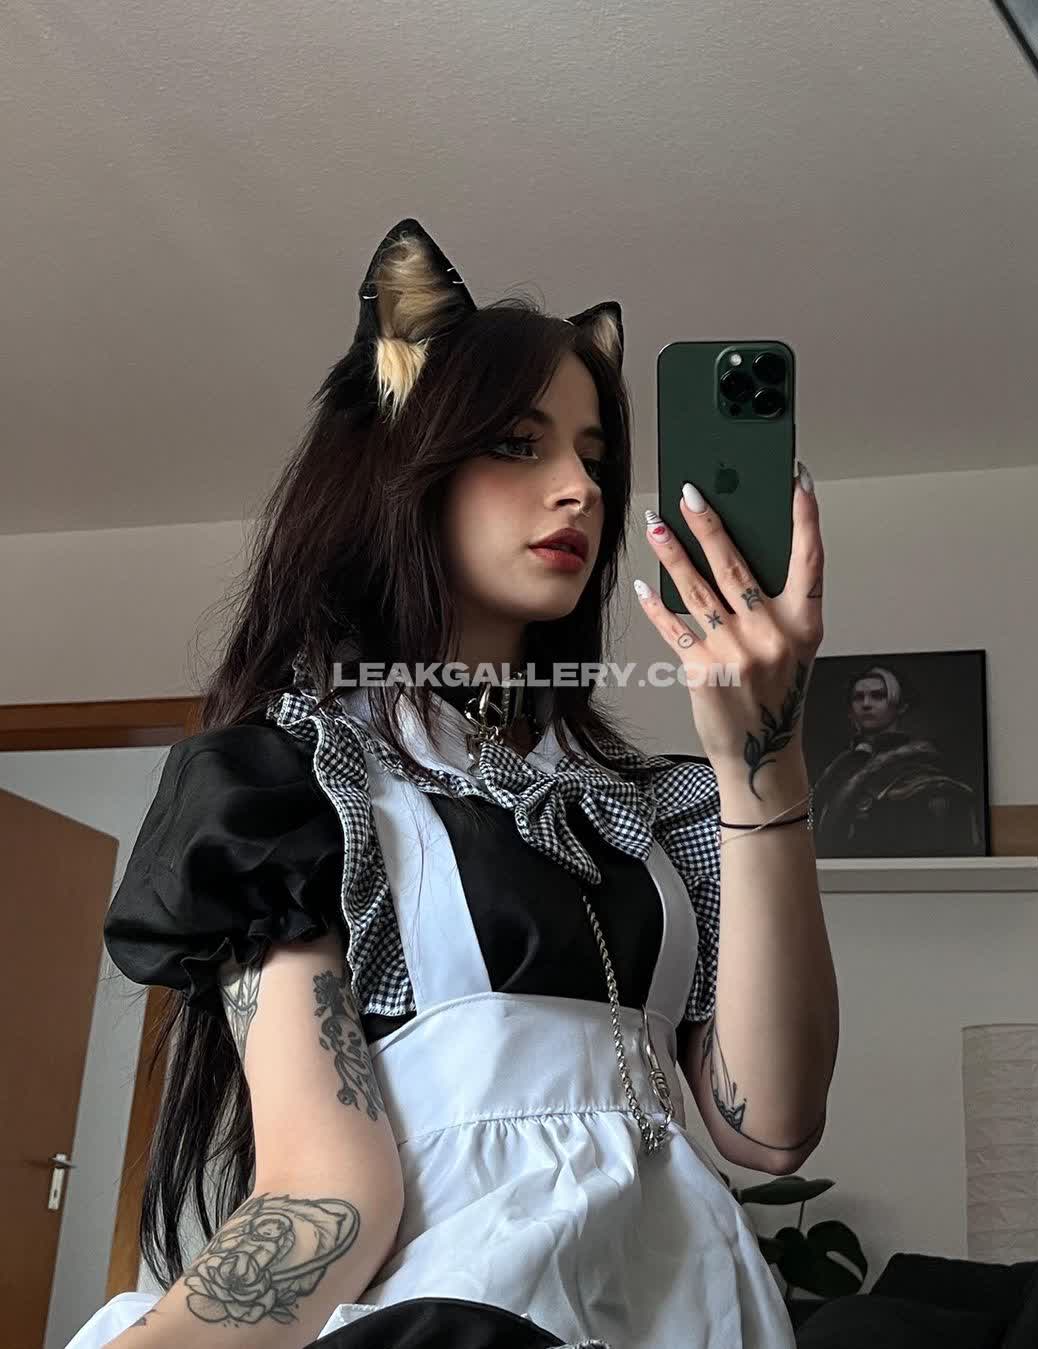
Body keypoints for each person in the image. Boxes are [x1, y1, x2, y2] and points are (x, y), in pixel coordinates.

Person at [67, 218, 837, 1349]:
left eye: (594, 457)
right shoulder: (296, 786)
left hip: (700, 1313)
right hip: (462, 1314)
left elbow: (767, 1127)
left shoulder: (657, 807)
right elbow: (328, 1193)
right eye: (519, 444)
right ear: (402, 458)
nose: (579, 488)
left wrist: (760, 753)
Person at [812, 665, 981, 857]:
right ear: (850, 710)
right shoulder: (839, 767)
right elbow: (811, 816)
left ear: (901, 706)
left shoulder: (921, 763)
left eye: (878, 696)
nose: (866, 704)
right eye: (858, 697)